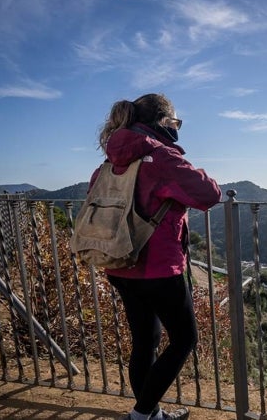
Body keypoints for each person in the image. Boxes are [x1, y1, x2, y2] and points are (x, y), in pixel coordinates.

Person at [90, 93, 222, 420]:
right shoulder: (160, 157)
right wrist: (183, 162)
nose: (177, 129)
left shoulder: (109, 163)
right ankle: (141, 415)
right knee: (184, 339)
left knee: (145, 341)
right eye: (175, 122)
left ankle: (151, 415)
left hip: (119, 262)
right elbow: (209, 194)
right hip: (158, 268)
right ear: (164, 122)